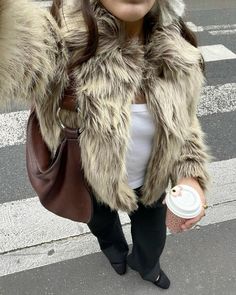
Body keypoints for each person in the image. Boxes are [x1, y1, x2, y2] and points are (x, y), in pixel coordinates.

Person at [0, 0, 212, 290]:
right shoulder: (61, 39)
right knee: (104, 227)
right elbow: (12, 48)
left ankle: (146, 265)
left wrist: (191, 176)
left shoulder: (178, 49)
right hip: (89, 180)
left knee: (153, 239)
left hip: (153, 183)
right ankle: (115, 253)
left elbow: (184, 123)